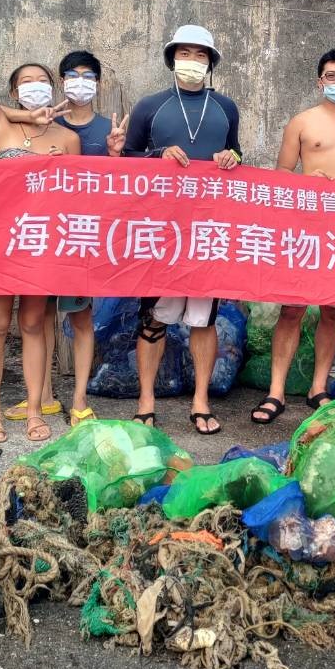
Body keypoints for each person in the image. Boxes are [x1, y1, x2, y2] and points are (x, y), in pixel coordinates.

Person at [0, 0, 80, 445]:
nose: (34, 88)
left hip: (42, 242)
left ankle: (32, 410)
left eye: (41, 81)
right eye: (25, 83)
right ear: (13, 92)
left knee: (33, 324)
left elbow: (80, 198)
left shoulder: (68, 141)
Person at [253, 49, 335, 425]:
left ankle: (318, 387)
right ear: (319, 80)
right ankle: (276, 391)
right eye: (332, 76)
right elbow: (280, 174)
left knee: (333, 309)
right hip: (305, 223)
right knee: (292, 308)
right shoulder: (302, 122)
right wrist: (301, 181)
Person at [123, 24, 241, 435]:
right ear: (172, 58)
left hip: (207, 227)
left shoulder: (226, 107)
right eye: (185, 53)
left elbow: (237, 152)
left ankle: (201, 400)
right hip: (160, 228)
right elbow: (128, 158)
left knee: (203, 320)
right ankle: (146, 400)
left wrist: (232, 157)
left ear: (210, 64)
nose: (192, 62)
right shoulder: (149, 107)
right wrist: (157, 154)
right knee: (154, 318)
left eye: (201, 55)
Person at [1, 49, 126, 428]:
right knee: (38, 320)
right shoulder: (42, 122)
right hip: (39, 237)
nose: (80, 82)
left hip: (79, 237)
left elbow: (118, 187)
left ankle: (79, 400)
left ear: (99, 84)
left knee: (80, 317)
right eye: (72, 74)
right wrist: (29, 116)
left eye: (88, 75)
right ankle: (42, 397)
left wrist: (115, 154)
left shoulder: (109, 127)